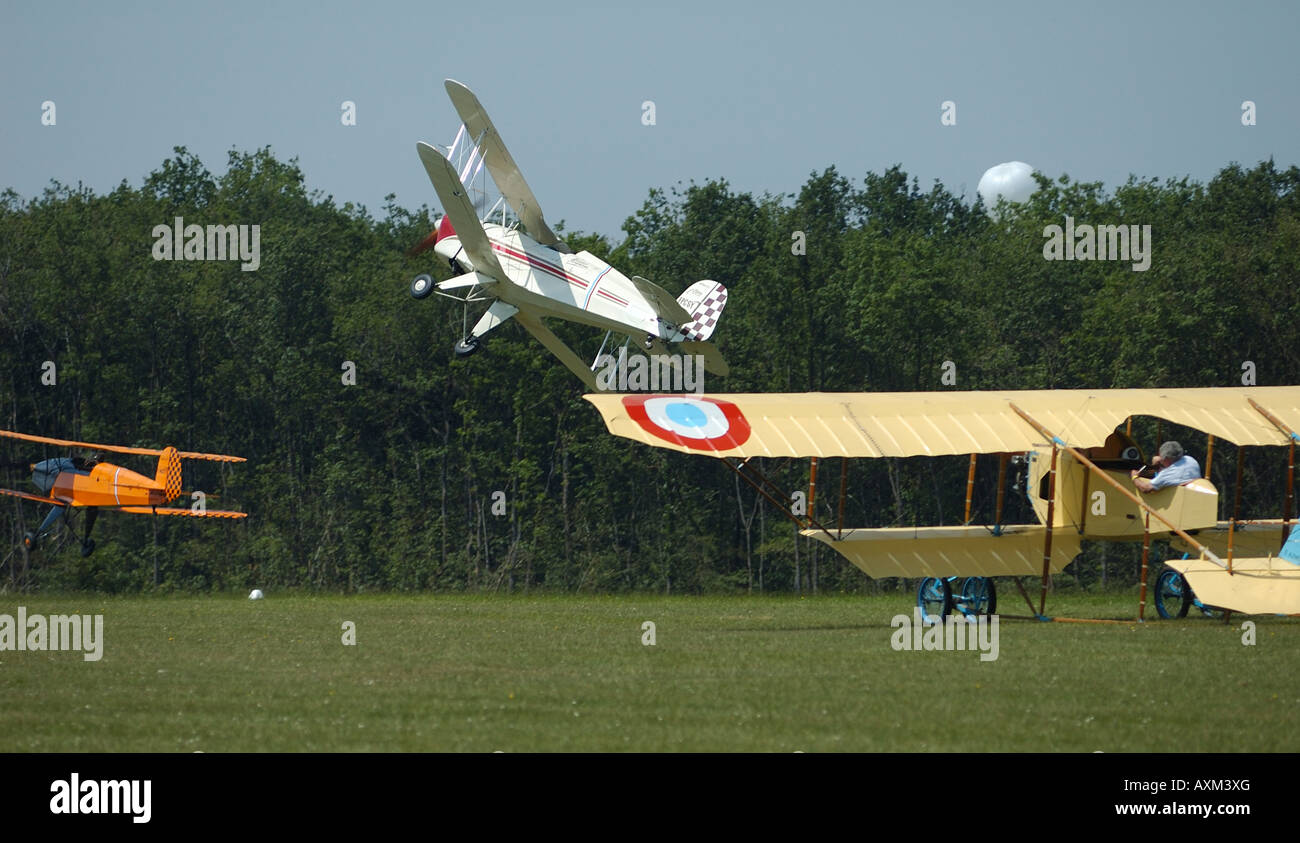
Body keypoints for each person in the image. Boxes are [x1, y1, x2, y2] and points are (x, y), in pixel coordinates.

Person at [1130, 441, 1201, 493]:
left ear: (1167, 459)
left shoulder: (1167, 474)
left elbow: (1145, 488)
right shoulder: (1191, 460)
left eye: (1162, 458)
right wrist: (1161, 462)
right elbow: (1174, 468)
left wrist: (1134, 477)